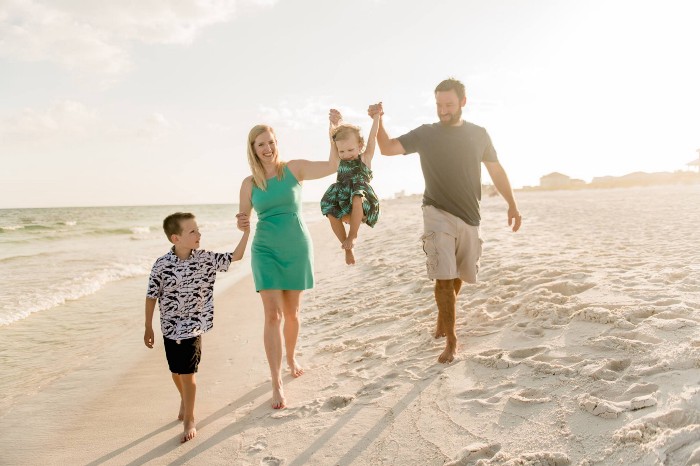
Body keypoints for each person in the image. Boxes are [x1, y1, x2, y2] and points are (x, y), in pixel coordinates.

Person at [369, 78, 522, 364]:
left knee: (457, 275)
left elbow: (496, 170)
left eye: (449, 104)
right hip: (436, 211)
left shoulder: (479, 134)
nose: (443, 110)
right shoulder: (427, 134)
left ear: (463, 102)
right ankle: (452, 341)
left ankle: (443, 317)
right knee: (443, 276)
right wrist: (378, 120)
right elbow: (388, 148)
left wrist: (512, 204)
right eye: (439, 105)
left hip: (470, 215)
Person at [236, 124, 337, 409]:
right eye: (260, 145)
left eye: (270, 142)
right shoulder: (249, 183)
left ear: (276, 143)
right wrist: (241, 222)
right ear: (253, 150)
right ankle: (276, 381)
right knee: (272, 315)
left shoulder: (294, 169)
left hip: (296, 246)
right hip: (265, 249)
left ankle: (291, 357)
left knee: (292, 313)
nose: (267, 149)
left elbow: (333, 164)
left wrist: (332, 131)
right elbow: (243, 217)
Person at [144, 212, 250, 442]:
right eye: (192, 231)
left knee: (189, 374)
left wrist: (246, 233)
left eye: (198, 229)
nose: (198, 234)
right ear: (176, 238)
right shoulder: (161, 265)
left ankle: (190, 418)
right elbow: (151, 295)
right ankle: (185, 398)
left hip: (194, 326)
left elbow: (237, 256)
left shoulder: (205, 258)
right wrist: (148, 326)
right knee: (176, 372)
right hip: (169, 327)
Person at [320, 108, 381, 265]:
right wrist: (334, 123)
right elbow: (332, 140)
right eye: (342, 151)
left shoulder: (365, 158)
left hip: (363, 202)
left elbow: (373, 137)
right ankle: (347, 247)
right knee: (329, 209)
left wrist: (376, 118)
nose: (346, 154)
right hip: (343, 202)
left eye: (350, 150)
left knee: (357, 194)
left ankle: (352, 235)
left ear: (360, 145)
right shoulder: (339, 161)